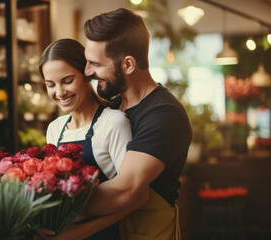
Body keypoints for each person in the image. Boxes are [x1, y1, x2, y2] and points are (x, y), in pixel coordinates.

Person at [48, 8, 193, 240]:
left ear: (128, 65)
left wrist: (51, 212)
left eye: (94, 63)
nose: (87, 72)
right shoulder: (112, 106)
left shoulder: (164, 114)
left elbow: (127, 188)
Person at [39, 38, 133, 240]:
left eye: (67, 81)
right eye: (51, 85)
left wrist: (78, 233)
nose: (60, 92)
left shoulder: (113, 123)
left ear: (87, 75)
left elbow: (132, 198)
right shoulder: (55, 129)